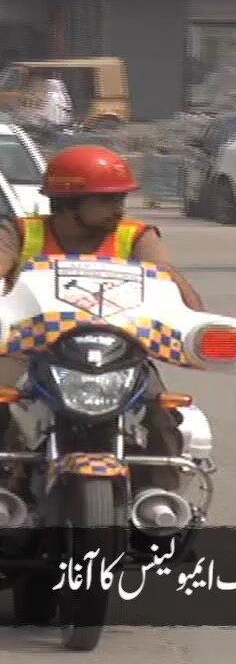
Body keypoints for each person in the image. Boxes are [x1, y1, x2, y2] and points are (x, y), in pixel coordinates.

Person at [0, 145, 205, 495]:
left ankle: (159, 506)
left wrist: (178, 295)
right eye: (107, 200)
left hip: (119, 356)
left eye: (120, 198)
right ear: (69, 202)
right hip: (32, 350)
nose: (119, 209)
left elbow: (179, 294)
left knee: (160, 417)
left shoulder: (136, 236)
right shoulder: (19, 232)